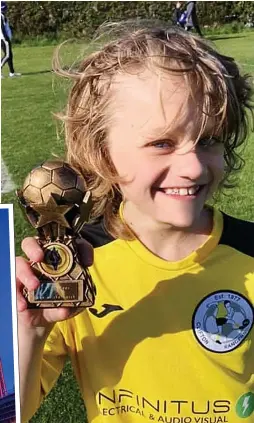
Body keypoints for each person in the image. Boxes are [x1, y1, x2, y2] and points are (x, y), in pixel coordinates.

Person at [16, 22, 254, 423]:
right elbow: (15, 411)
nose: (193, 166)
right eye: (162, 143)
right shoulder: (76, 265)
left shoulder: (248, 255)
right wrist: (30, 331)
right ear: (102, 154)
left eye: (209, 139)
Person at [1, 1, 21, 78]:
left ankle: (12, 73)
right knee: (7, 55)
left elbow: (6, 27)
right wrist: (5, 37)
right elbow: (1, 28)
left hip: (6, 38)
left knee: (10, 55)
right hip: (3, 39)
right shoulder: (1, 16)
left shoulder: (3, 16)